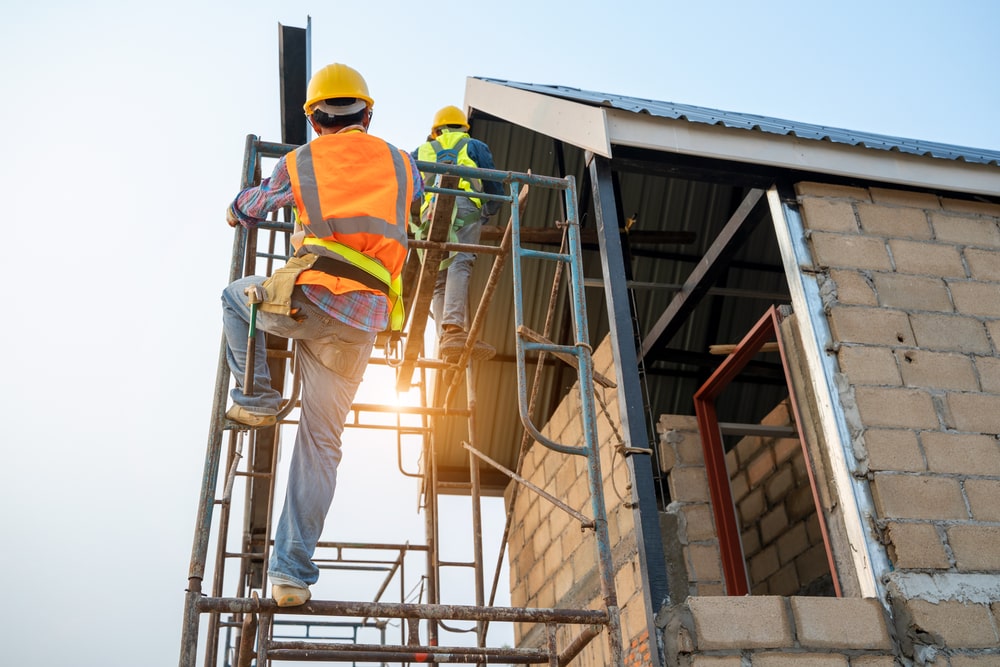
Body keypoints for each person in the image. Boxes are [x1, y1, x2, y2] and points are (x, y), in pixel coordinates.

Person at [221, 63, 422, 607]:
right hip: (364, 320)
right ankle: (290, 573)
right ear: (367, 112)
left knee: (237, 298)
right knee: (321, 444)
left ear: (314, 118)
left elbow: (256, 207)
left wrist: (237, 207)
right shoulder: (405, 164)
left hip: (309, 297)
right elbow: (416, 211)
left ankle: (259, 396)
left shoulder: (300, 161)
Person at [413, 105, 503, 361]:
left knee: (440, 277)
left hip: (431, 214)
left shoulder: (421, 151)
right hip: (464, 207)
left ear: (435, 131)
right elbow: (493, 184)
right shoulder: (473, 145)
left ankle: (447, 339)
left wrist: (416, 221)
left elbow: (411, 191)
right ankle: (453, 329)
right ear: (464, 128)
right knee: (460, 262)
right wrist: (490, 208)